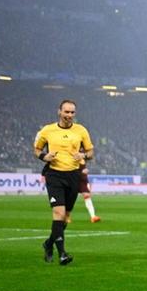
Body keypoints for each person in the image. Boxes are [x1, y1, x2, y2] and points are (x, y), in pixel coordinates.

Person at [33, 99, 94, 266]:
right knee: (58, 214)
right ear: (59, 112)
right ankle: (62, 254)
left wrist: (83, 156)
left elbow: (91, 152)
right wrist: (44, 156)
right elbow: (37, 149)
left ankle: (48, 243)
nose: (69, 115)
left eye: (72, 112)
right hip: (54, 176)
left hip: (73, 175)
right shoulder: (47, 130)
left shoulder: (81, 130)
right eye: (66, 112)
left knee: (65, 218)